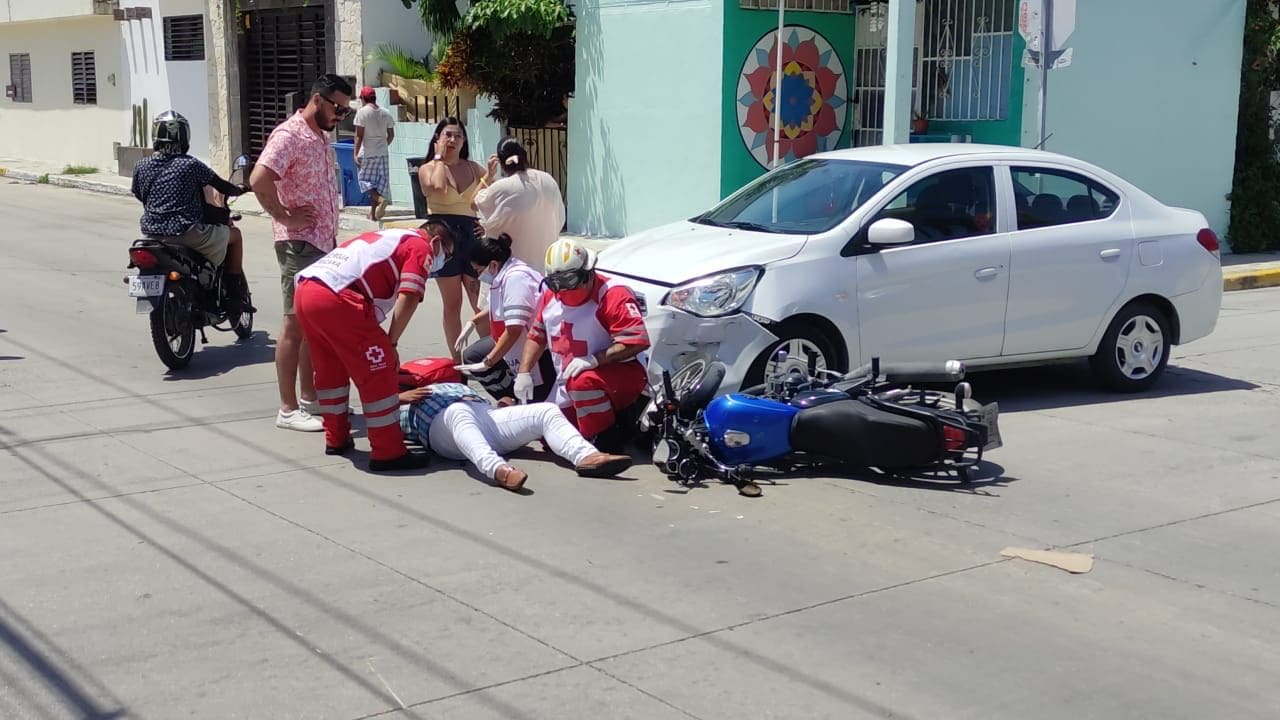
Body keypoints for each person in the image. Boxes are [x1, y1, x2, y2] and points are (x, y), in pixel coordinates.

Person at [293, 221, 456, 472]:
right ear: (436, 242)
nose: (442, 261)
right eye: (447, 254)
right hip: (339, 298)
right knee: (379, 372)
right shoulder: (421, 245)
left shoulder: (391, 235)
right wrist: (391, 342)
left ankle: (336, 437)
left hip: (307, 290)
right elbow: (410, 295)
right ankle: (388, 451)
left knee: (330, 370)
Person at [250, 73, 351, 433]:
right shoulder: (289, 135)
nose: (340, 116)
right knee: (294, 325)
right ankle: (288, 408)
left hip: (322, 241)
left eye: (345, 111)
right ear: (317, 100)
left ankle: (310, 397)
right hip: (300, 242)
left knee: (313, 325)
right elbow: (259, 179)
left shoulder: (319, 135)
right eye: (338, 108)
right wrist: (283, 215)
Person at [517, 239, 650, 450]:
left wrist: (594, 360)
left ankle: (605, 439)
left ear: (587, 273)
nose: (562, 290)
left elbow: (637, 341)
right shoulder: (551, 296)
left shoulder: (613, 294)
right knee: (550, 437)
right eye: (555, 282)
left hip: (618, 374)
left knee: (583, 381)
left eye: (569, 280)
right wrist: (524, 372)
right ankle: (614, 424)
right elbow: (536, 336)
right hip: (567, 382)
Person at [399, 383, 634, 492]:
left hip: (486, 415)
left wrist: (502, 404)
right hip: (441, 429)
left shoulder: (455, 385)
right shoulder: (402, 403)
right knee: (458, 412)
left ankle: (586, 456)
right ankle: (498, 470)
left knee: (546, 410)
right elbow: (380, 419)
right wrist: (398, 398)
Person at [130, 110, 253, 314]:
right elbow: (221, 186)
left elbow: (138, 193)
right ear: (184, 136)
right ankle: (234, 294)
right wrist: (240, 189)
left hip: (151, 236)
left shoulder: (141, 166)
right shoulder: (191, 164)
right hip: (187, 233)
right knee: (236, 236)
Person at [452, 234, 556, 402]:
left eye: (479, 271)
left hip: (537, 345)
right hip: (515, 338)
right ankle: (510, 398)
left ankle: (519, 398)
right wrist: (473, 322)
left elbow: (514, 330)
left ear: (493, 264)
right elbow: (499, 306)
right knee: (473, 355)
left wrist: (489, 361)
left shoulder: (516, 279)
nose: (479, 277)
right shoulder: (504, 274)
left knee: (534, 401)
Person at [416, 117, 484, 363]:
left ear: (464, 141)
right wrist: (439, 158)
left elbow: (493, 198)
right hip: (444, 238)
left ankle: (492, 357)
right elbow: (437, 187)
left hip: (471, 237)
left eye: (458, 135)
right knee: (453, 304)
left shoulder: (474, 168)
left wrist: (487, 224)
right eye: (448, 135)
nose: (453, 140)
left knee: (480, 303)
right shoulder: (428, 168)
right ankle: (458, 362)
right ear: (438, 138)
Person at [473, 137, 566, 269]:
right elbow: (560, 219)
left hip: (517, 271)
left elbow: (473, 203)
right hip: (547, 267)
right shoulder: (548, 179)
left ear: (500, 162)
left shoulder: (503, 187)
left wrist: (488, 175)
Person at [353, 86, 395, 222]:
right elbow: (391, 135)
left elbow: (359, 136)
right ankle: (373, 214)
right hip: (383, 154)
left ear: (363, 98)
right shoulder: (386, 113)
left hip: (367, 153)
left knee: (365, 182)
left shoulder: (362, 113)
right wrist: (384, 145)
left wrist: (355, 153)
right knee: (377, 184)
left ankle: (381, 200)